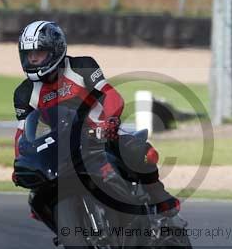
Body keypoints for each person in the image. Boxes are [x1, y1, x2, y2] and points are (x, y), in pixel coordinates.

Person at [11, 20, 180, 215]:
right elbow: (22, 133)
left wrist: (109, 122)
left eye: (38, 53)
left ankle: (159, 195)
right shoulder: (23, 93)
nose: (32, 59)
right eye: (28, 54)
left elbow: (112, 96)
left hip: (98, 132)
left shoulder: (82, 66)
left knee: (137, 149)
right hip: (60, 143)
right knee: (36, 198)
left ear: (55, 50)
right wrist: (20, 160)